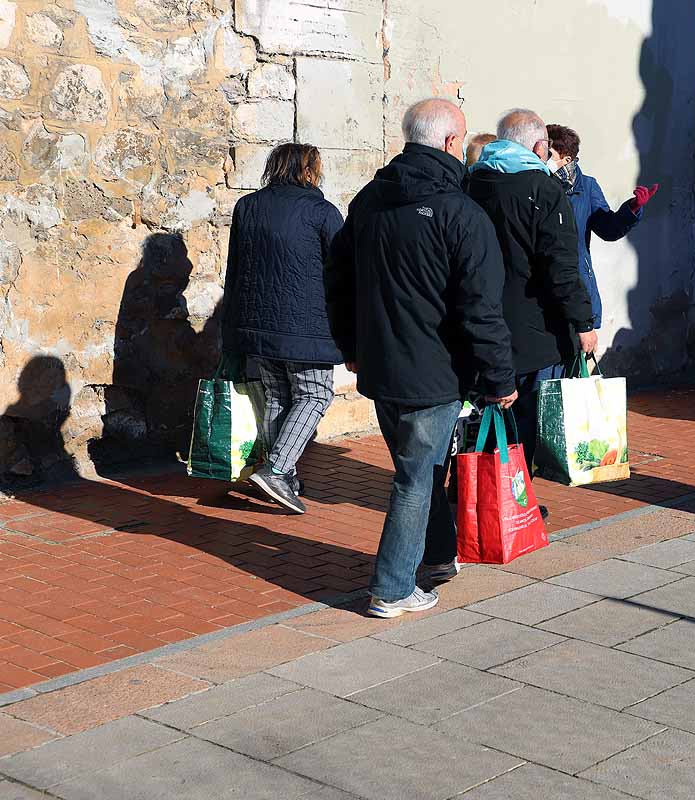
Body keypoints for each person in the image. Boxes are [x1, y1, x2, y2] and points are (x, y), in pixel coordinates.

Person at [325, 98, 517, 617]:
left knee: (421, 468)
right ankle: (391, 587)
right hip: (433, 370)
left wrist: (352, 347)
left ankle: (434, 556)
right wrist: (500, 378)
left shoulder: (370, 201)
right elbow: (481, 307)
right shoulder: (460, 213)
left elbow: (338, 283)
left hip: (384, 363)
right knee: (415, 477)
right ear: (453, 143)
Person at [467, 108, 596, 517]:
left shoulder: (472, 182)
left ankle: (470, 491)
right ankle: (512, 501)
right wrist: (583, 322)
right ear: (540, 147)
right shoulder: (543, 189)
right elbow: (561, 265)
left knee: (482, 410)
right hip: (531, 328)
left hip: (476, 321)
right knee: (522, 419)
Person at [222, 143, 344, 515]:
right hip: (307, 327)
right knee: (314, 395)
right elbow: (342, 271)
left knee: (278, 397)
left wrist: (233, 329)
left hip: (257, 324)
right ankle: (276, 471)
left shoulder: (248, 206)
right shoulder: (322, 212)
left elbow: (235, 268)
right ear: (311, 170)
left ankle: (283, 477)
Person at [546, 123, 657, 330]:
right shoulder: (537, 184)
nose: (541, 156)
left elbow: (608, 228)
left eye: (548, 152)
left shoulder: (586, 187)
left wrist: (632, 208)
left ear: (566, 158)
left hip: (576, 284)